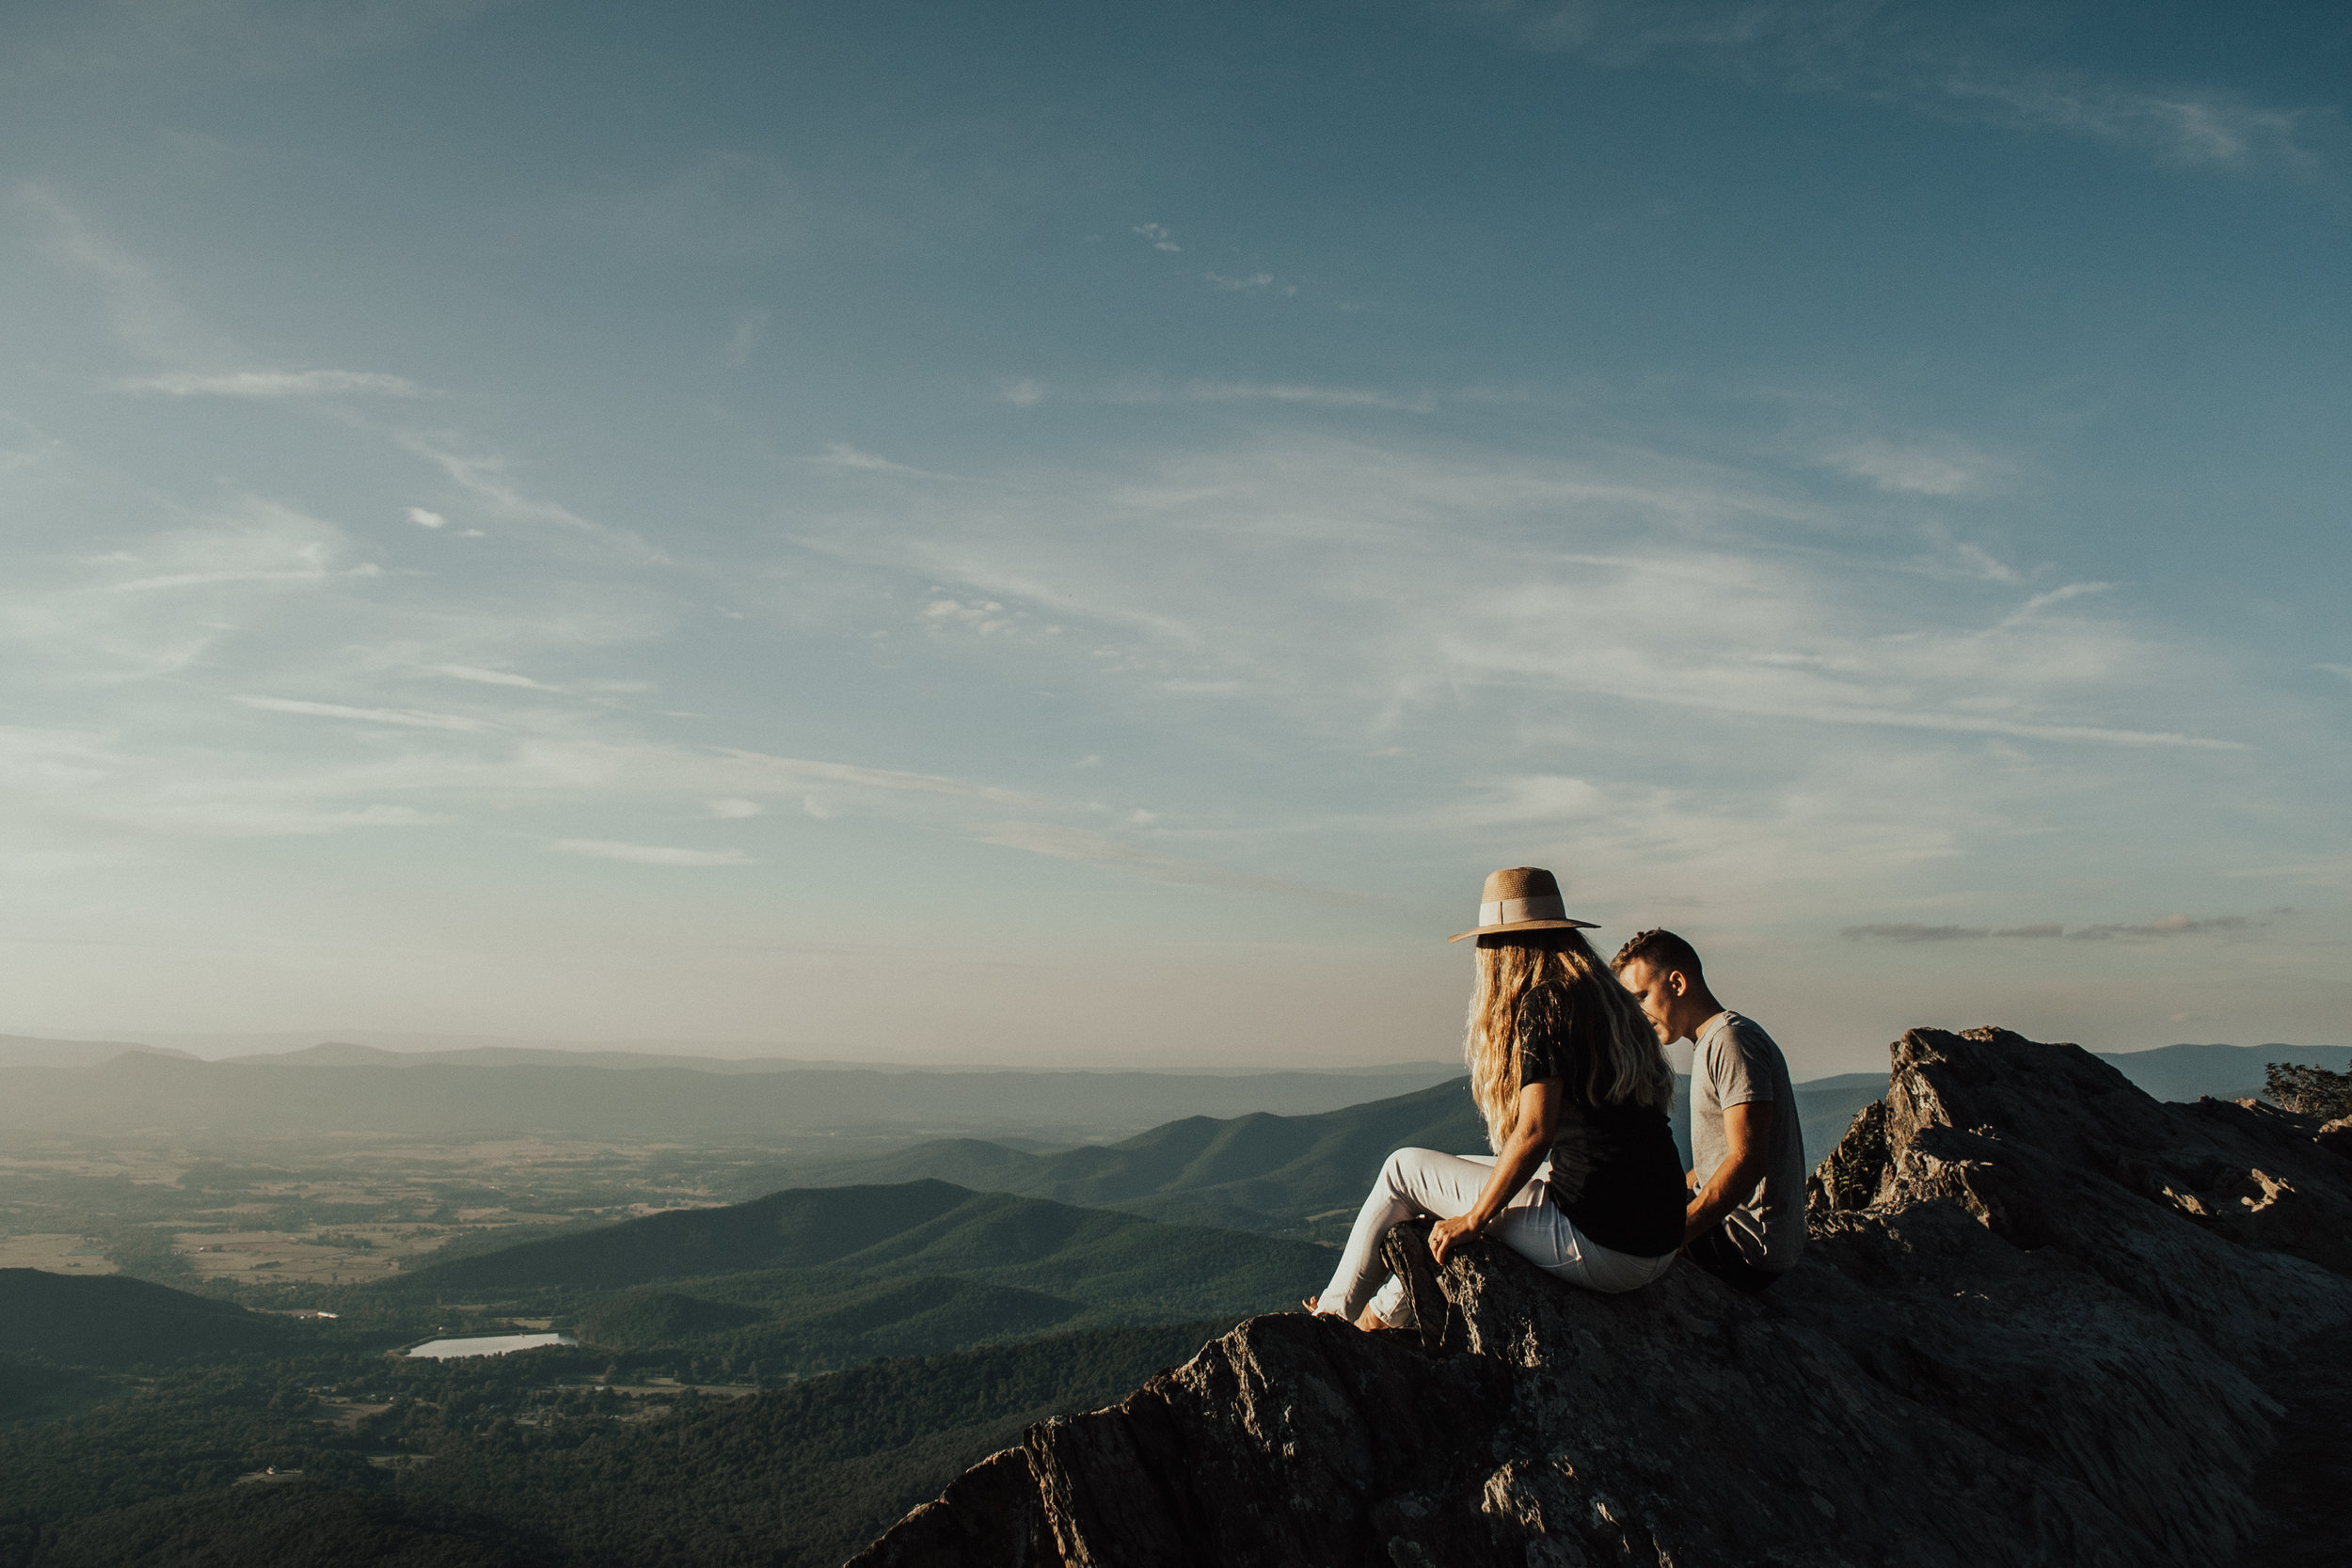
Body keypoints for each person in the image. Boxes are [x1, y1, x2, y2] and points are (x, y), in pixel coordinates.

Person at [1310, 866, 1686, 1327]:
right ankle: (1384, 1316)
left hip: (1604, 1246)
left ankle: (1331, 1319)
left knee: (1402, 1171)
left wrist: (1474, 1220)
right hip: (1657, 1238)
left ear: (1502, 947)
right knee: (1450, 1172)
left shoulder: (1545, 1004)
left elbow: (1534, 1132)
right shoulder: (1605, 998)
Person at [1611, 928, 1805, 1291]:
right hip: (1744, 1238)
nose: (1638, 1015)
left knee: (1601, 1219)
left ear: (1677, 984)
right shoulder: (1714, 1041)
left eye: (1641, 997)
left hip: (1744, 1248)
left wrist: (1676, 1234)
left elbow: (1748, 1160)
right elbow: (1714, 1162)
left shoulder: (1732, 1041)